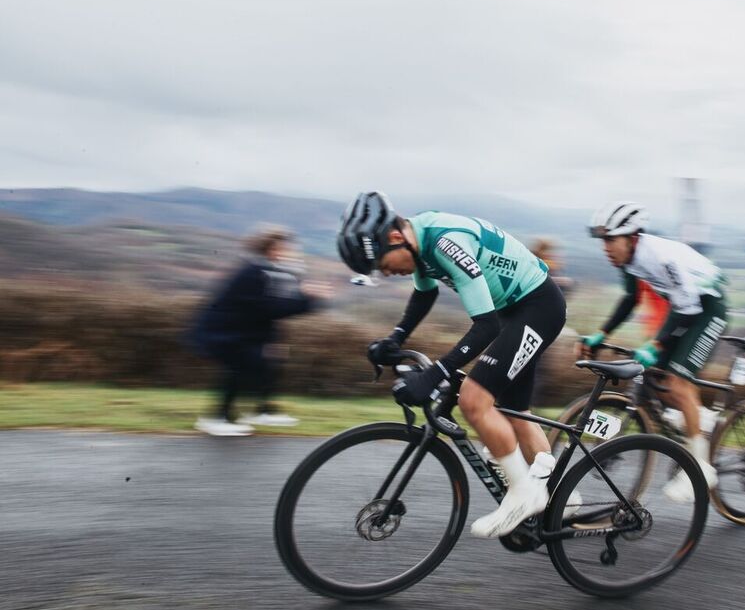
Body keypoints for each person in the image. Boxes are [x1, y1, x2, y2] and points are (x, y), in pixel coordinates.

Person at [337, 191, 567, 538]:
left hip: (538, 307)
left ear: (396, 237)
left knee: (474, 400)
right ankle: (564, 502)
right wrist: (395, 339)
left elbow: (485, 325)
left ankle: (525, 494)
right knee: (515, 411)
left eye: (383, 265)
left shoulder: (445, 243)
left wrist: (435, 373)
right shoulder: (419, 239)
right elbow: (425, 293)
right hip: (514, 311)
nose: (387, 273)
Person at [580, 202, 728, 502]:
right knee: (650, 371)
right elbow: (631, 298)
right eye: (602, 241)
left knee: (678, 382)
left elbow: (688, 309)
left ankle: (701, 467)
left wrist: (658, 343)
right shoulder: (630, 260)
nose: (605, 248)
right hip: (685, 308)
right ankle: (697, 415)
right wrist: (602, 333)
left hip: (708, 310)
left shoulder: (661, 257)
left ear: (632, 237)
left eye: (610, 240)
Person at [191, 225, 329, 437]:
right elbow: (272, 308)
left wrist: (306, 298)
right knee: (238, 370)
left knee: (267, 362)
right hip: (226, 333)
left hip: (246, 333)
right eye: (284, 247)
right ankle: (217, 418)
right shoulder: (254, 272)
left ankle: (262, 410)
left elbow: (276, 306)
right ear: (271, 249)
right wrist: (308, 298)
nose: (289, 251)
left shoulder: (267, 270)